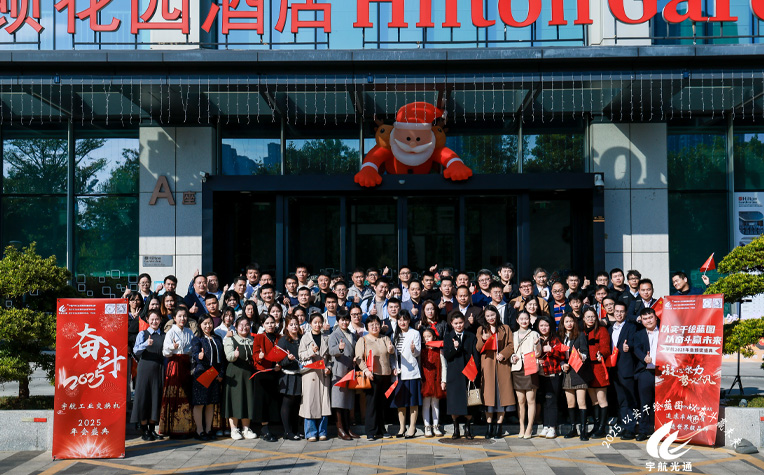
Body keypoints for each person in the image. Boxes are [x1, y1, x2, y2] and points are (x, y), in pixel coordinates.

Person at [476, 305, 515, 439]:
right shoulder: (481, 329)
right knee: (488, 398)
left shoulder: (505, 328)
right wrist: (483, 339)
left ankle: (499, 426)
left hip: (502, 365)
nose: (490, 318)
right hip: (487, 365)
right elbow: (478, 348)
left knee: (501, 397)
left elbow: (511, 345)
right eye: (488, 316)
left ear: (497, 315)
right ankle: (489, 427)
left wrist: (504, 354)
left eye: (492, 315)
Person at [355, 315, 396, 440]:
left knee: (382, 404)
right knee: (371, 404)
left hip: (385, 375)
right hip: (372, 376)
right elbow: (359, 358)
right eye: (371, 324)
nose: (374, 327)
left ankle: (381, 430)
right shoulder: (363, 340)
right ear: (367, 327)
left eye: (377, 324)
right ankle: (370, 431)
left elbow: (391, 352)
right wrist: (366, 371)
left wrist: (391, 349)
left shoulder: (385, 338)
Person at [443, 311, 480, 440]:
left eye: (461, 323)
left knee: (469, 403)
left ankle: (468, 428)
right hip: (454, 374)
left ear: (464, 322)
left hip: (469, 372)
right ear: (451, 324)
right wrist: (455, 348)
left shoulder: (471, 336)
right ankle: (456, 428)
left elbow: (475, 355)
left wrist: (475, 372)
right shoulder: (448, 336)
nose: (458, 325)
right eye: (456, 323)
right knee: (454, 402)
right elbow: (447, 355)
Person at [160, 307, 195, 437]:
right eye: (179, 316)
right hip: (174, 365)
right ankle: (172, 428)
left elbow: (192, 349)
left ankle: (186, 428)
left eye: (184, 316)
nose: (182, 319)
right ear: (174, 318)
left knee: (186, 395)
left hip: (186, 365)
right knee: (174, 395)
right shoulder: (171, 332)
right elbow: (165, 352)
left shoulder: (189, 332)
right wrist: (172, 347)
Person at [131, 311, 165, 441]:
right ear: (147, 319)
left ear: (160, 320)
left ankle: (152, 429)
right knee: (143, 398)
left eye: (157, 319)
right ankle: (144, 429)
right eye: (152, 319)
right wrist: (146, 344)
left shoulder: (164, 335)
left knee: (155, 398)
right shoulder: (143, 334)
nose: (154, 321)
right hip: (145, 369)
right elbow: (135, 350)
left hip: (158, 369)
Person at [190, 315, 225, 441]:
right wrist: (198, 355)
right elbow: (194, 353)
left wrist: (221, 373)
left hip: (214, 373)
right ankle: (199, 430)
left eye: (210, 323)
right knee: (200, 403)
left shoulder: (217, 338)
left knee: (210, 403)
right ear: (200, 325)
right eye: (205, 323)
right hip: (202, 373)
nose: (208, 326)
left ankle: (208, 429)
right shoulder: (197, 339)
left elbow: (222, 357)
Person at [299, 313, 333, 441]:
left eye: (320, 322)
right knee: (310, 403)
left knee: (324, 404)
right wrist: (311, 352)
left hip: (323, 374)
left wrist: (328, 368)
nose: (318, 325)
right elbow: (300, 355)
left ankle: (322, 431)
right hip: (310, 374)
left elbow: (330, 358)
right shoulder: (305, 338)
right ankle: (310, 432)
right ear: (310, 324)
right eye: (315, 322)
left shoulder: (326, 338)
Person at [223, 316, 258, 440]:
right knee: (234, 401)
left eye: (247, 324)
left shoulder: (253, 340)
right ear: (236, 327)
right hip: (234, 374)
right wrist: (234, 355)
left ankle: (246, 428)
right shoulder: (230, 339)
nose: (244, 327)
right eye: (241, 325)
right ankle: (234, 429)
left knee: (247, 400)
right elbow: (228, 356)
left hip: (248, 374)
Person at [608, 301, 638, 440]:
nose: (619, 314)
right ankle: (623, 425)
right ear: (613, 312)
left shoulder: (631, 327)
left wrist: (629, 347)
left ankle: (630, 428)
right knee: (620, 400)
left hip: (626, 369)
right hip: (614, 369)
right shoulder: (610, 329)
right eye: (617, 311)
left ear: (625, 313)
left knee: (629, 400)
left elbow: (635, 343)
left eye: (621, 311)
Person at [559, 313, 592, 441]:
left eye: (571, 321)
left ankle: (583, 431)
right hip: (567, 372)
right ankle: (573, 429)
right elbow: (559, 356)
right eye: (566, 321)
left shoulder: (580, 335)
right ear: (563, 323)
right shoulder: (561, 337)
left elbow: (585, 352)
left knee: (581, 402)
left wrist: (580, 356)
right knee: (570, 403)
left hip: (579, 372)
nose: (569, 324)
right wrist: (562, 364)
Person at [328, 312, 359, 440]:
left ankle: (347, 428)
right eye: (342, 320)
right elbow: (331, 350)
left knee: (347, 401)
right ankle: (340, 429)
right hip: (338, 372)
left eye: (346, 320)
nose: (345, 322)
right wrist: (339, 349)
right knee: (338, 402)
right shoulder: (334, 334)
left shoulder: (352, 334)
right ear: (338, 321)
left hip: (349, 371)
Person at [511, 311, 541, 438]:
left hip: (530, 368)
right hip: (517, 369)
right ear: (517, 320)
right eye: (521, 319)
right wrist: (513, 357)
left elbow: (538, 353)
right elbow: (511, 352)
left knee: (531, 400)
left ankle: (529, 427)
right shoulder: (513, 335)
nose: (524, 321)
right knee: (520, 401)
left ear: (530, 320)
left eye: (526, 319)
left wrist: (537, 344)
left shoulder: (534, 334)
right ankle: (521, 427)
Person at [391, 311, 422, 439]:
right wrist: (393, 367)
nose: (402, 322)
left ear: (409, 320)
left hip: (411, 372)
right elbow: (392, 355)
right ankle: (402, 427)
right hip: (399, 373)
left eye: (405, 319)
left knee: (413, 402)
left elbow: (417, 353)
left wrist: (414, 350)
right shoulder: (395, 334)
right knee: (400, 402)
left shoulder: (415, 333)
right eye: (400, 320)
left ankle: (412, 427)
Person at [252, 315, 282, 441]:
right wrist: (259, 357)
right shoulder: (259, 337)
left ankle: (271, 428)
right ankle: (264, 429)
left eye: (272, 322)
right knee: (262, 402)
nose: (270, 325)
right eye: (267, 323)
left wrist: (279, 365)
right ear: (263, 325)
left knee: (272, 401)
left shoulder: (279, 337)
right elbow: (254, 355)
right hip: (262, 373)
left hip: (275, 372)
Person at [582, 308, 611, 439]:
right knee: (593, 400)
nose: (590, 319)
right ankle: (596, 425)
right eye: (588, 317)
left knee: (601, 399)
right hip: (587, 368)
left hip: (599, 367)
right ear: (583, 319)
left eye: (593, 316)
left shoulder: (602, 330)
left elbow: (606, 348)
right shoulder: (582, 331)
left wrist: (601, 354)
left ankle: (602, 428)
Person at [633, 308, 660, 441]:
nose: (648, 321)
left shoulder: (665, 332)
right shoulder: (639, 334)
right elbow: (636, 349)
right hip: (646, 373)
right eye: (645, 319)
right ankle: (643, 431)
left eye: (650, 317)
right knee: (645, 403)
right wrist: (644, 358)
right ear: (642, 321)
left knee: (661, 403)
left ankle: (661, 430)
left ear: (656, 317)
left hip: (663, 373)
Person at [537, 317, 566, 439]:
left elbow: (562, 355)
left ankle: (553, 427)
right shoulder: (536, 338)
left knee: (552, 400)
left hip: (553, 373)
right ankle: (546, 426)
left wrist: (552, 350)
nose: (544, 328)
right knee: (544, 400)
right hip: (540, 373)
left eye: (546, 325)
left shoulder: (556, 339)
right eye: (541, 325)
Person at [277, 314, 303, 441]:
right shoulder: (283, 341)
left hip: (300, 374)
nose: (294, 327)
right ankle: (287, 431)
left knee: (297, 404)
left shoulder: (302, 338)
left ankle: (295, 430)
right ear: (286, 327)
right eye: (291, 324)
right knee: (287, 403)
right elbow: (279, 361)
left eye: (296, 324)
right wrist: (288, 359)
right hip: (288, 375)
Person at [420, 327, 446, 438]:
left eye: (429, 336)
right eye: (424, 337)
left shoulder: (439, 350)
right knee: (426, 404)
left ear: (434, 337)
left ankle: (436, 426)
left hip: (436, 380)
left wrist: (444, 380)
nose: (426, 339)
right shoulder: (421, 351)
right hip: (426, 380)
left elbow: (444, 366)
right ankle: (427, 426)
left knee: (435, 404)